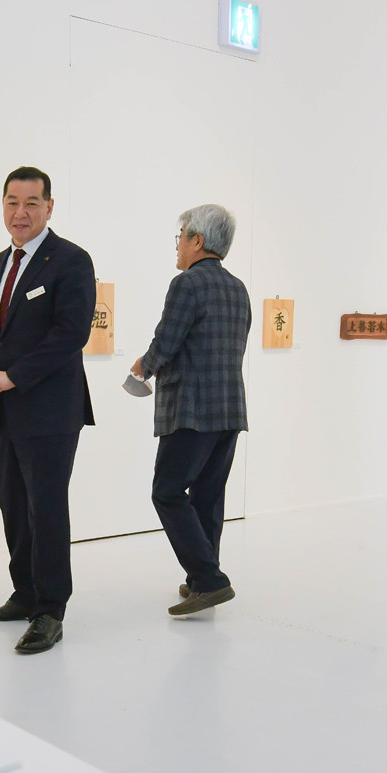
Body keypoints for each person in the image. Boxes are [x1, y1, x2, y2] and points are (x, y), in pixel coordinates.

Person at [0, 167, 95, 654]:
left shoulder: (71, 261)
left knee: (47, 509)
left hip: (50, 411)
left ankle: (50, 610)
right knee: (14, 506)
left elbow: (70, 335)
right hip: (2, 408)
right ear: (2, 206)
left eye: (32, 203)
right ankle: (25, 594)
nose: (21, 213)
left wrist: (13, 376)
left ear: (49, 207)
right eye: (12, 202)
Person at [131, 204, 250, 617]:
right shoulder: (238, 288)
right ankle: (202, 581)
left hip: (191, 410)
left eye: (180, 236)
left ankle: (211, 579)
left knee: (166, 491)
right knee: (208, 495)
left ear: (197, 241)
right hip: (229, 407)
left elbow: (167, 341)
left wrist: (142, 367)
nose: (177, 245)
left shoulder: (187, 284)